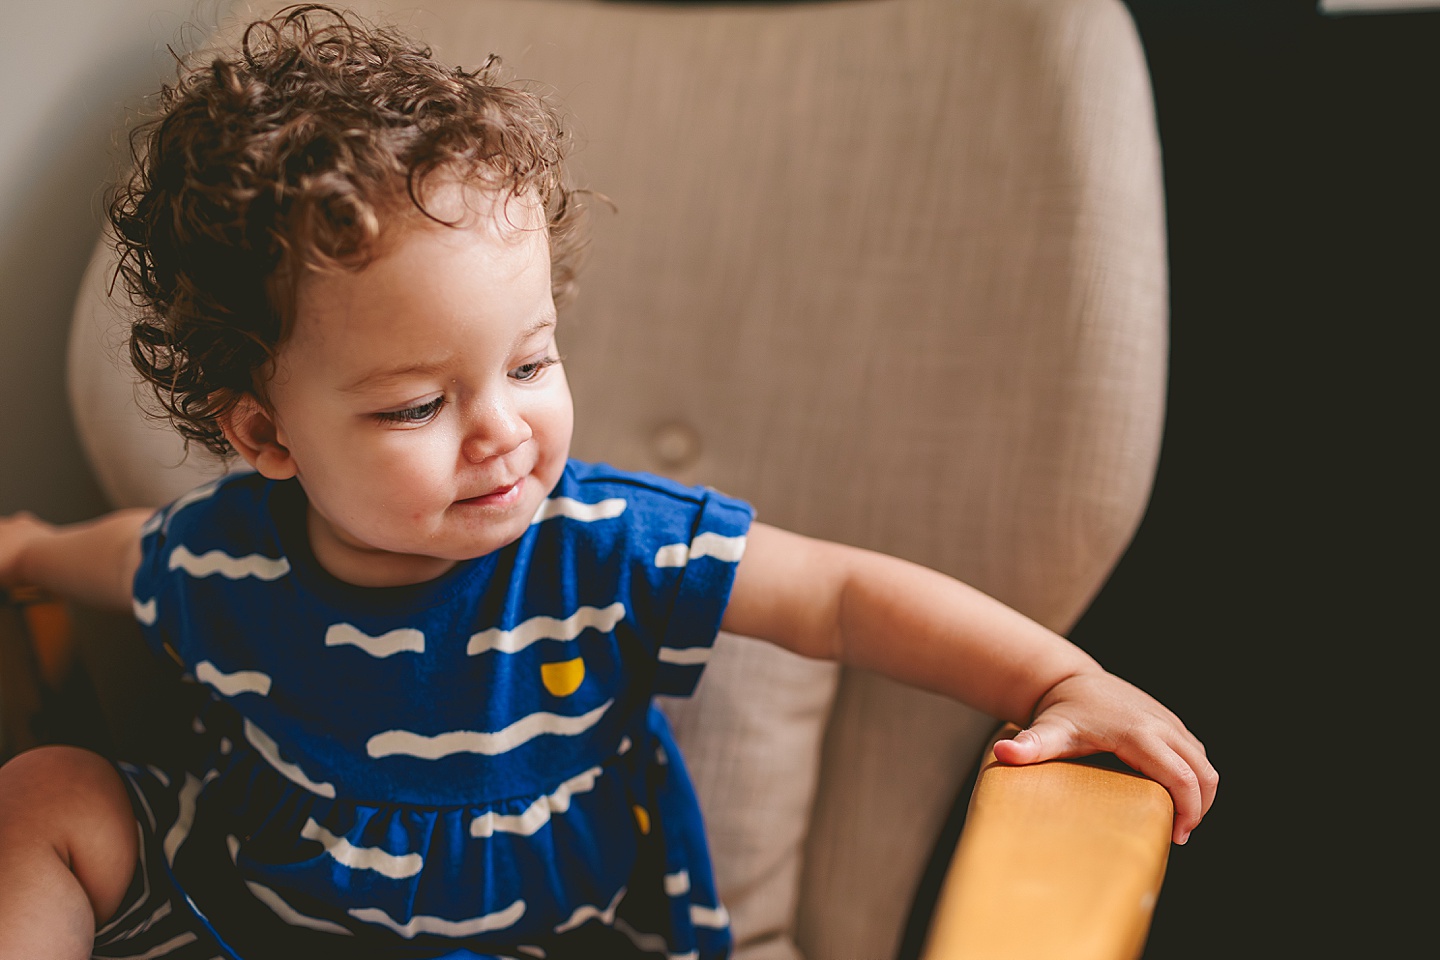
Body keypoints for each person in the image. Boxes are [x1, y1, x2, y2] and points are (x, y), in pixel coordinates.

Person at [0, 5, 1217, 959]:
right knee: (45, 791)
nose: (503, 432)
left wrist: (1061, 676)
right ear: (267, 433)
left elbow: (842, 600)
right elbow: (116, 554)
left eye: (531, 362)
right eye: (418, 404)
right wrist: (24, 554)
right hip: (255, 916)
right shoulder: (223, 554)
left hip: (545, 942)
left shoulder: (602, 543)